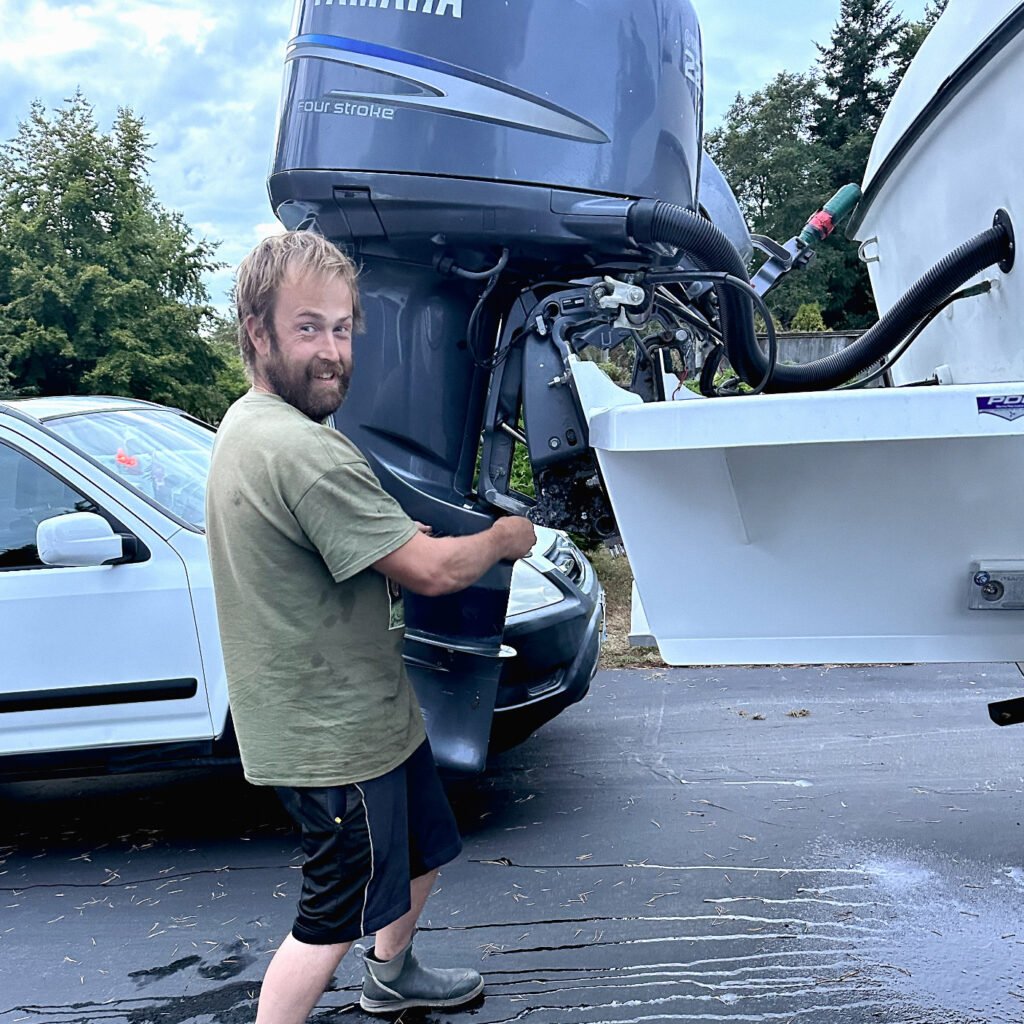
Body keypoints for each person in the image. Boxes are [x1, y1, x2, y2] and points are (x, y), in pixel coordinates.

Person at [205, 231, 536, 1024]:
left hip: (369, 713)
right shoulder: (301, 451)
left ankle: (392, 975)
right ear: (258, 331)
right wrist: (504, 538)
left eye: (343, 327)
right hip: (333, 737)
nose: (332, 350)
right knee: (329, 917)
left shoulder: (254, 424)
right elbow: (428, 570)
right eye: (308, 327)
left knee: (424, 846)